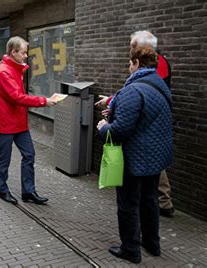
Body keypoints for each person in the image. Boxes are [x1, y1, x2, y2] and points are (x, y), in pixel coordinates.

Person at [97, 45, 173, 264]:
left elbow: (120, 130)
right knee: (150, 200)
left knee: (128, 204)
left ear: (137, 63)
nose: (128, 67)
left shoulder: (133, 89)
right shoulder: (160, 86)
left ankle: (130, 249)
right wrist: (114, 110)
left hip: (135, 159)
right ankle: (152, 244)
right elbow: (146, 118)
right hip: (156, 158)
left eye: (130, 62)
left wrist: (104, 126)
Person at [0, 36, 55, 205]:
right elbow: (17, 97)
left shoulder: (15, 69)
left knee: (29, 155)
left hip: (18, 123)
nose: (26, 56)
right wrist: (44, 101)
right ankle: (3, 190)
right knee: (5, 158)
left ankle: (28, 191)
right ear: (13, 52)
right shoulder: (4, 72)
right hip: (5, 124)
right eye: (24, 53)